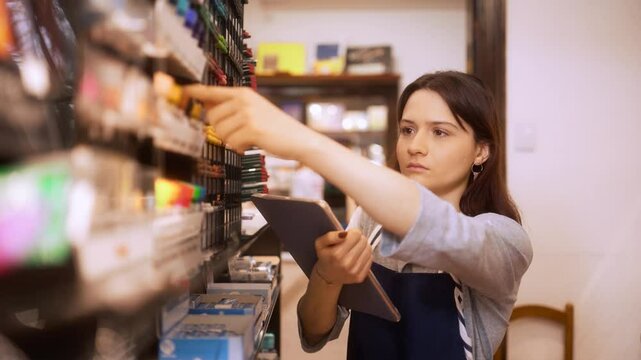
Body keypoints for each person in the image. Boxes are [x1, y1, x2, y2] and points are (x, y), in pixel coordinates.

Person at [186, 71, 533, 360]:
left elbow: (435, 227)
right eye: (408, 130)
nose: (415, 145)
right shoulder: (371, 221)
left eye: (440, 132)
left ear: (481, 151)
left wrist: (302, 141)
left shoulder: (504, 240)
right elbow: (314, 332)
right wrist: (327, 275)